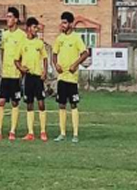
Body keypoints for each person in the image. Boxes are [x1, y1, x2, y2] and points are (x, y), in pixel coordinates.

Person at [53, 11, 90, 143]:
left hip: (72, 78)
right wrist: (55, 64)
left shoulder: (76, 38)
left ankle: (75, 134)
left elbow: (85, 53)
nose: (62, 25)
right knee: (61, 105)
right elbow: (54, 53)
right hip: (62, 78)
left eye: (65, 22)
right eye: (61, 22)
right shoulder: (59, 39)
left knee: (73, 104)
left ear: (70, 24)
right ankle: (62, 133)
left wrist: (75, 64)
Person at [0, 7, 25, 141]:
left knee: (15, 102)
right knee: (1, 101)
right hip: (5, 75)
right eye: (7, 16)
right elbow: (2, 52)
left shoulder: (22, 35)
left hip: (15, 74)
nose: (8, 19)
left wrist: (22, 71)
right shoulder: (4, 35)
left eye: (10, 17)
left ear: (16, 19)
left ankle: (12, 131)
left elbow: (24, 54)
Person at [17, 17, 48, 142]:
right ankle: (30, 133)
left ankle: (43, 131)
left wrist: (45, 71)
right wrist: (21, 68)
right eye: (35, 27)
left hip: (38, 76)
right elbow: (16, 60)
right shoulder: (22, 43)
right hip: (28, 77)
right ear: (29, 28)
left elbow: (45, 58)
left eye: (37, 27)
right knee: (29, 103)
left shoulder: (39, 43)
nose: (36, 30)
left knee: (41, 103)